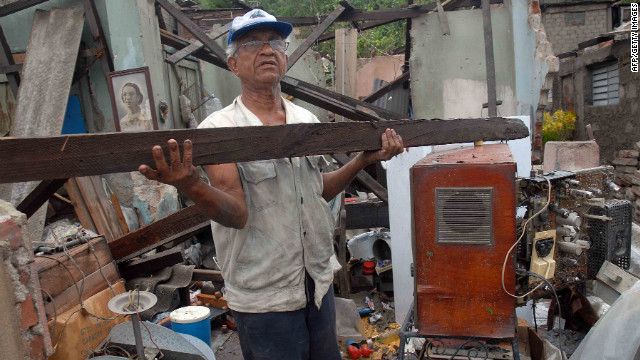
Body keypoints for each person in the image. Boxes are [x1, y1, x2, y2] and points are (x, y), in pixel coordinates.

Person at [138, 9, 404, 360]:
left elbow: (316, 192)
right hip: (265, 296)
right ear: (233, 65)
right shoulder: (219, 130)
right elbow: (236, 214)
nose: (266, 50)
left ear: (286, 57)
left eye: (275, 43)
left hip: (317, 283)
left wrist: (362, 160)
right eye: (251, 44)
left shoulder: (305, 120)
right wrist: (192, 185)